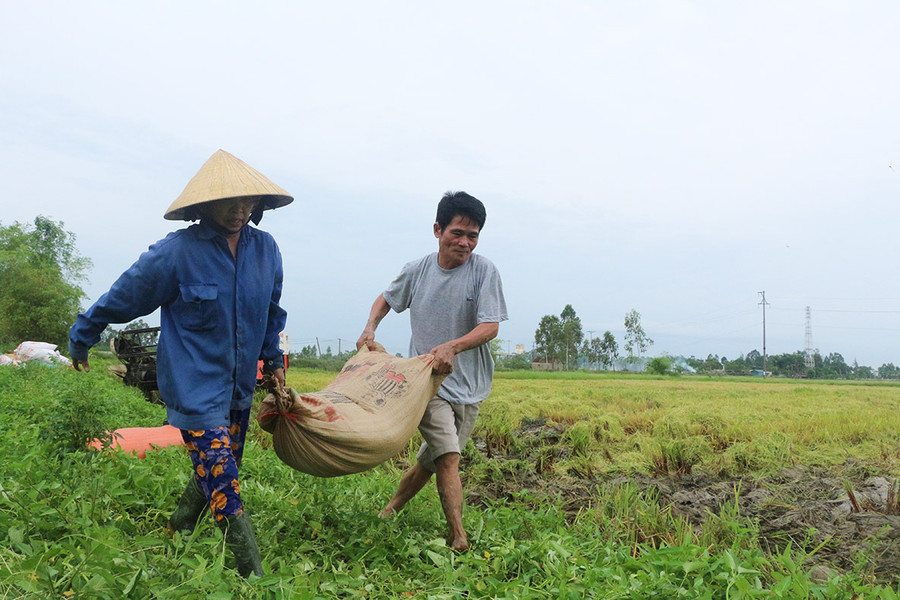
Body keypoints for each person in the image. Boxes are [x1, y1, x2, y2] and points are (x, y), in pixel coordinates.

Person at [69, 149, 291, 577]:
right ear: (206, 204)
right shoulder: (176, 253)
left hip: (239, 385)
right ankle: (254, 576)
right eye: (230, 201)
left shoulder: (266, 250)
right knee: (225, 479)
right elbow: (124, 295)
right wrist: (83, 336)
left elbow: (272, 311)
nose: (240, 210)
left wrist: (274, 361)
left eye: (249, 202)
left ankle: (181, 522)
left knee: (224, 464)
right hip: (194, 385)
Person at [356, 191, 507, 551]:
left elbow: (491, 326)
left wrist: (453, 345)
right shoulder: (418, 270)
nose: (465, 243)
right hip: (427, 384)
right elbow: (386, 299)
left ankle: (390, 509)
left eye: (473, 236)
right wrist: (370, 328)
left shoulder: (484, 271)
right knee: (449, 457)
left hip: (470, 386)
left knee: (431, 459)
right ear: (438, 230)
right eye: (458, 233)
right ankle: (458, 537)